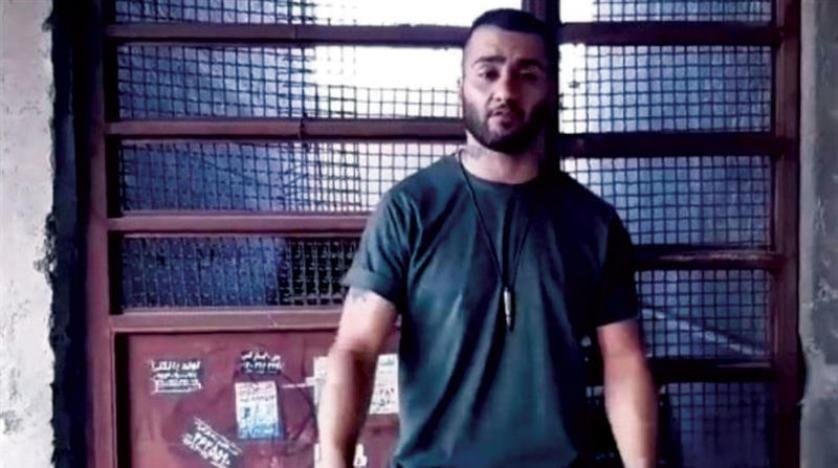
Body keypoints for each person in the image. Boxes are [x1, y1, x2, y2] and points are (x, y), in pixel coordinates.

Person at [317, 9, 657, 468]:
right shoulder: (410, 209)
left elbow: (624, 361)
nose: (505, 91)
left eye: (527, 75)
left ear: (551, 90)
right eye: (488, 72)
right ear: (461, 86)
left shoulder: (593, 223)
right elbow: (356, 349)